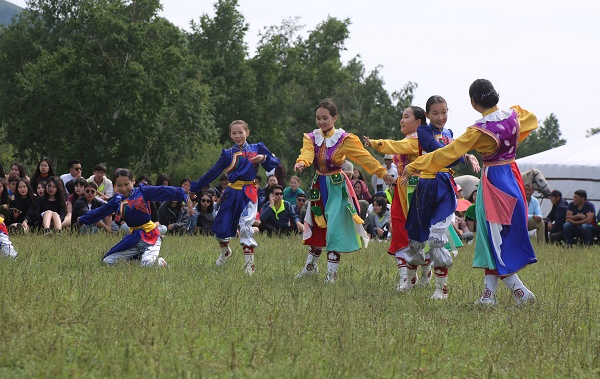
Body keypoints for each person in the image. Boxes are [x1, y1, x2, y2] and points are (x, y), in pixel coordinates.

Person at [402, 79, 537, 307]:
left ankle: (520, 292)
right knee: (490, 236)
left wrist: (415, 165)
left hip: (494, 181)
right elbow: (530, 122)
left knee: (494, 238)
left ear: (474, 103)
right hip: (513, 176)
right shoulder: (515, 115)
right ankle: (488, 295)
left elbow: (447, 153)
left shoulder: (479, 130)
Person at [294, 99, 394, 283]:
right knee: (316, 222)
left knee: (334, 226)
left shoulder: (344, 139)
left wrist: (382, 172)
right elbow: (307, 153)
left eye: (325, 118)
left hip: (337, 186)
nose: (321, 122)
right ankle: (310, 267)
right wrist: (302, 162)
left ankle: (331, 274)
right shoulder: (311, 137)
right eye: (318, 118)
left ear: (334, 118)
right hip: (318, 186)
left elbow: (364, 158)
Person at [401, 95, 480, 300]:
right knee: (416, 239)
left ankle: (441, 289)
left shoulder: (449, 133)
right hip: (425, 187)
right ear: (427, 115)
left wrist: (469, 155)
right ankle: (410, 280)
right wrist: (462, 155)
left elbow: (453, 150)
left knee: (437, 238)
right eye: (435, 113)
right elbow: (439, 151)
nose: (440, 116)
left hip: (444, 187)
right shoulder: (424, 131)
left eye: (444, 111)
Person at [190, 120, 280, 275]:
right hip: (231, 193)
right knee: (219, 229)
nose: (238, 136)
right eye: (234, 133)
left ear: (247, 133)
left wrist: (263, 158)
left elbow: (274, 163)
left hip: (249, 192)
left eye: (241, 132)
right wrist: (194, 188)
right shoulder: (227, 154)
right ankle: (226, 252)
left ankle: (249, 267)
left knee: (245, 227)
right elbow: (213, 173)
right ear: (230, 135)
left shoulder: (257, 148)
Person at [364, 105, 431, 290]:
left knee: (420, 234)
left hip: (417, 191)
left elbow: (393, 145)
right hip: (401, 190)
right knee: (400, 231)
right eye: (402, 116)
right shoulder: (409, 140)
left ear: (418, 122)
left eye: (406, 117)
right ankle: (406, 278)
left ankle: (425, 272)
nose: (402, 120)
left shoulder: (417, 140)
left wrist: (375, 143)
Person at [78, 168, 193, 266]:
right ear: (115, 186)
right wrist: (82, 219)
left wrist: (185, 197)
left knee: (148, 265)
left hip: (150, 236)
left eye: (126, 184)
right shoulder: (117, 201)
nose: (123, 188)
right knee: (108, 261)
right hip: (133, 239)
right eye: (119, 185)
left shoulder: (143, 191)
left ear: (133, 181)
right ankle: (139, 260)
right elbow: (100, 212)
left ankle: (159, 263)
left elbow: (163, 190)